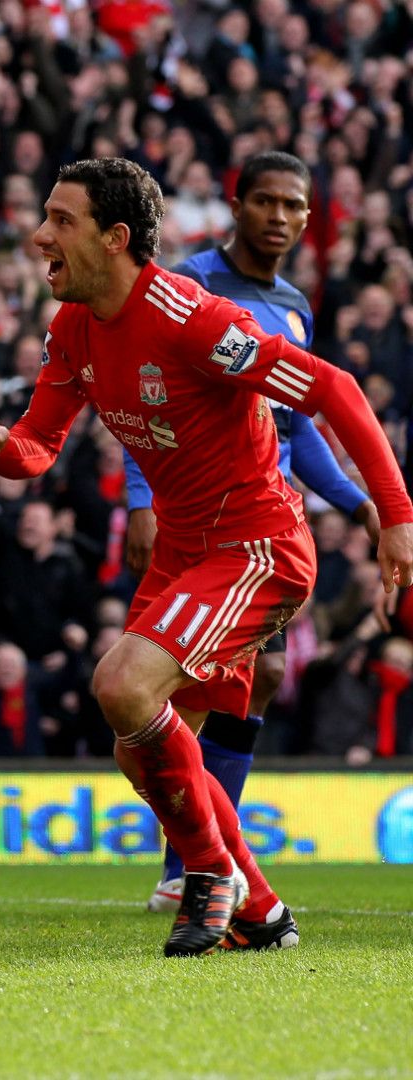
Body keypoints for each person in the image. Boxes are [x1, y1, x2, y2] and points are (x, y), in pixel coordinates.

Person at [0, 157, 413, 956]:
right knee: (141, 748)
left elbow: (331, 389)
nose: (38, 238)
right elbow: (39, 446)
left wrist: (396, 516)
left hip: (257, 547)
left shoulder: (190, 318)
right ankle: (263, 913)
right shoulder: (73, 327)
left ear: (116, 238)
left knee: (122, 685)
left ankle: (207, 877)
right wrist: (1, 450)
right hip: (185, 550)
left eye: (61, 221)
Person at [120, 151, 382, 913]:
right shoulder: (192, 283)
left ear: (307, 218)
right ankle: (196, 863)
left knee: (255, 680)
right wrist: (140, 499)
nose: (278, 216)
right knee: (180, 690)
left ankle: (194, 862)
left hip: (266, 512)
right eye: (263, 201)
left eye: (292, 205)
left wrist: (356, 501)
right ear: (236, 205)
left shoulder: (295, 303)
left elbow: (299, 428)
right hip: (197, 516)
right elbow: (152, 392)